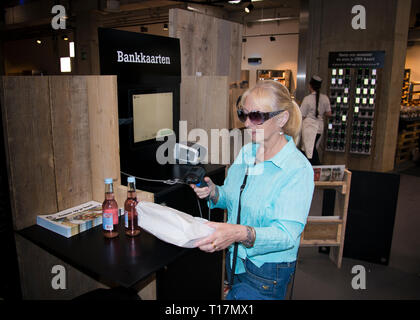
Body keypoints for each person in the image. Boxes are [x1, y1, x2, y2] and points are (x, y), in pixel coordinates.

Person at [190, 80, 314, 300]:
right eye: (243, 115)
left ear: (281, 119)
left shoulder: (297, 169)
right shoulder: (247, 152)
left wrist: (239, 233)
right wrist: (213, 192)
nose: (247, 123)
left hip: (267, 271)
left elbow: (286, 235)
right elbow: (230, 196)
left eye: (256, 116)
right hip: (235, 260)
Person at [300, 76, 332, 165]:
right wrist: (320, 112)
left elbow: (302, 115)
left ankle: (316, 167)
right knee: (312, 149)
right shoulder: (325, 98)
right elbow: (329, 113)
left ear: (310, 86)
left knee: (309, 151)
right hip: (319, 127)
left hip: (309, 127)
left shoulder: (307, 99)